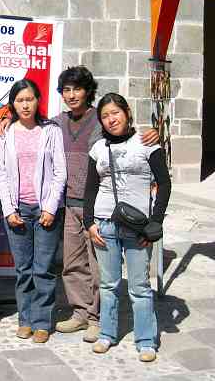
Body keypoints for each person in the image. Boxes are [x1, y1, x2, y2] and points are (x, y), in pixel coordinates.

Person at [0, 66, 160, 343]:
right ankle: (80, 312)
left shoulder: (100, 119)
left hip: (96, 203)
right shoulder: (56, 122)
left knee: (98, 265)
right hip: (67, 203)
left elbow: (124, 132)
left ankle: (97, 318)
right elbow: (26, 128)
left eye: (77, 89)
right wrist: (6, 118)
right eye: (66, 90)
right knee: (72, 264)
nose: (72, 95)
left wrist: (152, 132)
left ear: (88, 91)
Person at [83, 93, 171, 362]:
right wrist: (89, 223)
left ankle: (146, 340)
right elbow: (90, 188)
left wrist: (155, 222)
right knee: (108, 284)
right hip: (105, 224)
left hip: (138, 226)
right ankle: (107, 334)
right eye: (105, 116)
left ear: (127, 112)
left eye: (115, 113)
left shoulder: (146, 143)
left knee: (140, 286)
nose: (111, 119)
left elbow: (164, 184)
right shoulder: (98, 148)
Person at [0, 78, 67, 343]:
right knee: (24, 269)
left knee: (44, 269)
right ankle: (24, 319)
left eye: (30, 99)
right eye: (20, 100)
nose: (25, 104)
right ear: (13, 104)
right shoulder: (5, 132)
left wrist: (50, 207)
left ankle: (42, 322)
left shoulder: (51, 130)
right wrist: (8, 209)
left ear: (38, 101)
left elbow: (60, 171)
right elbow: (1, 173)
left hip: (45, 210)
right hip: (18, 210)